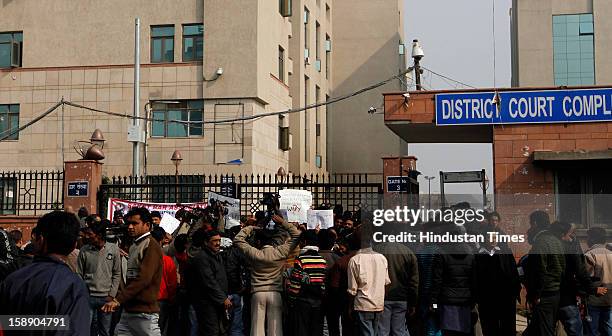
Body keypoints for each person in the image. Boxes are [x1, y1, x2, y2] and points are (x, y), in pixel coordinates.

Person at [0, 211, 90, 334]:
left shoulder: (13, 279)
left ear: (40, 240)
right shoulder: (73, 286)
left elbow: (6, 323)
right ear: (74, 245)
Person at [234, 214, 301, 336]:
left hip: (257, 293)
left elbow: (238, 239)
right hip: (275, 292)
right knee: (276, 329)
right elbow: (297, 235)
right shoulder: (280, 252)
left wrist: (251, 227)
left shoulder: (255, 253)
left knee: (256, 328)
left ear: (259, 242)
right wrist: (283, 222)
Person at [102, 207, 163, 336]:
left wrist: (118, 299)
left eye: (135, 223)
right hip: (129, 310)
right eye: (129, 223)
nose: (130, 227)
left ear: (147, 225)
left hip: (144, 313)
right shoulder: (135, 245)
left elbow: (143, 279)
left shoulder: (151, 245)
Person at [77, 221, 122, 336]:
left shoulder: (114, 249)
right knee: (86, 329)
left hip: (106, 298)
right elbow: (79, 274)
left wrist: (112, 295)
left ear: (99, 235)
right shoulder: (84, 250)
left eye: (90, 234)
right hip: (88, 297)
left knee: (105, 330)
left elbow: (117, 273)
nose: (86, 236)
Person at [524, 210, 565, 336]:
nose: (529, 228)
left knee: (544, 330)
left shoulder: (540, 243)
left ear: (535, 224)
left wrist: (535, 295)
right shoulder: (556, 241)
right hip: (554, 292)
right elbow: (562, 267)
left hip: (544, 295)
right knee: (536, 329)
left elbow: (540, 271)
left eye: (531, 224)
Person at [474, 226, 520, 336]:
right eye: (490, 237)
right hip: (487, 298)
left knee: (507, 327)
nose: (493, 240)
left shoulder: (506, 252)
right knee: (489, 326)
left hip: (506, 297)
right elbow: (475, 277)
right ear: (484, 238)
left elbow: (514, 273)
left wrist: (516, 292)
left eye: (495, 237)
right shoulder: (478, 255)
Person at [430, 225, 476, 336]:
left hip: (447, 301)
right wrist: (473, 301)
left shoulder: (441, 253)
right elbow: (474, 279)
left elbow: (437, 280)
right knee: (464, 332)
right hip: (465, 301)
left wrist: (433, 303)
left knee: (448, 332)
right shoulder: (471, 253)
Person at [374, 223, 419, 336]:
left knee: (382, 331)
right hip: (402, 297)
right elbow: (414, 282)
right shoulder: (408, 252)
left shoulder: (377, 249)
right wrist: (413, 302)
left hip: (382, 296)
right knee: (399, 331)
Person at [187, 229, 231, 335]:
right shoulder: (202, 258)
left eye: (219, 240)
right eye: (214, 241)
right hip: (207, 302)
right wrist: (223, 298)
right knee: (211, 331)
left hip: (217, 301)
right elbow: (209, 281)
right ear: (206, 242)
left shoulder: (217, 255)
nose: (218, 243)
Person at [347, 230, 391, 336]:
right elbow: (386, 282)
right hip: (378, 303)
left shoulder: (354, 260)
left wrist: (350, 307)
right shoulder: (382, 258)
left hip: (363, 304)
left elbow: (352, 290)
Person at [286, 230, 328, 336]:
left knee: (302, 330)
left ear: (304, 242)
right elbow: (323, 283)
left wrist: (291, 299)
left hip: (303, 302)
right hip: (317, 302)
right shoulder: (322, 260)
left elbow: (296, 284)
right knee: (315, 331)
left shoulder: (300, 260)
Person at [585, 227, 612, 336]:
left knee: (592, 330)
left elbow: (584, 278)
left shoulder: (589, 255)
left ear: (591, 239)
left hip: (594, 298)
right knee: (608, 328)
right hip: (610, 299)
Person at [151, 226, 178, 336]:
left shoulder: (142, 257)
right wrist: (172, 298)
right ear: (162, 240)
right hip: (162, 299)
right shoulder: (167, 260)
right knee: (160, 328)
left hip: (147, 299)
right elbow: (172, 284)